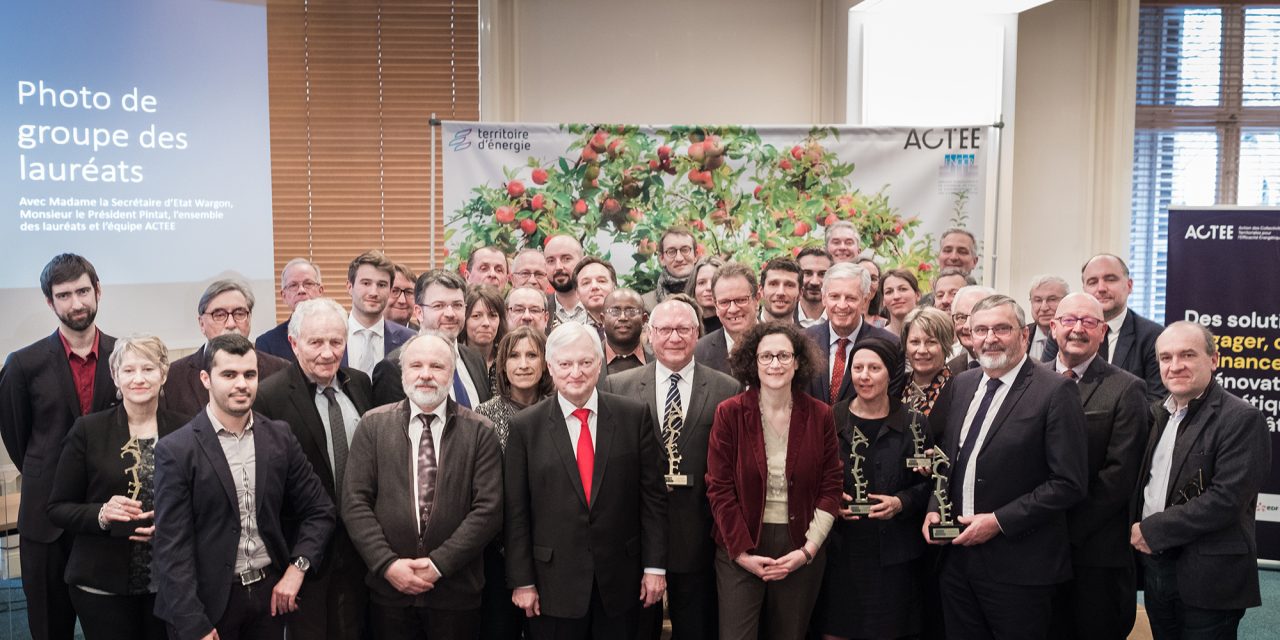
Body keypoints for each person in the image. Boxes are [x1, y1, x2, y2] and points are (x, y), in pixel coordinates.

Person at [923, 294, 1088, 639]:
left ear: (1024, 335)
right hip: (956, 560)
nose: (989, 337)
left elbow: (1068, 483)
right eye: (980, 329)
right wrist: (935, 507)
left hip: (1020, 566)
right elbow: (947, 460)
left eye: (1001, 328)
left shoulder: (1056, 391)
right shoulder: (963, 384)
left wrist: (998, 522)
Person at [152, 334, 336, 640]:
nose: (242, 384)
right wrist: (192, 622)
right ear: (205, 379)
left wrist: (297, 568)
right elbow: (171, 547)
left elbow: (320, 509)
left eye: (249, 375)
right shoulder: (177, 449)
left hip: (269, 597)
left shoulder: (279, 436)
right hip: (207, 604)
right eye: (229, 375)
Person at [503, 322, 668, 639]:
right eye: (565, 364)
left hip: (624, 583)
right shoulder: (525, 427)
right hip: (552, 585)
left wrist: (655, 568)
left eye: (585, 362)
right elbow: (516, 512)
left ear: (599, 364)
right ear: (550, 367)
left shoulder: (634, 417)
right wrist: (522, 580)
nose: (575, 372)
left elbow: (654, 501)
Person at [342, 331, 504, 640]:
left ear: (451, 373)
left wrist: (439, 564)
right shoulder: (373, 426)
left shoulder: (480, 431)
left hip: (456, 593)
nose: (426, 375)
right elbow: (355, 502)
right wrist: (387, 564)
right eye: (416, 366)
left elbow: (489, 510)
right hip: (389, 593)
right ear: (403, 372)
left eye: (437, 366)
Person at [601, 299, 742, 640]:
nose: (674, 337)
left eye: (683, 329)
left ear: (697, 333)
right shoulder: (618, 386)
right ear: (649, 335)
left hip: (699, 535)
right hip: (637, 536)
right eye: (665, 330)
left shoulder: (727, 388)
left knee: (697, 629)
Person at [1, 253, 117, 640]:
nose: (76, 303)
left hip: (107, 520)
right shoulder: (23, 364)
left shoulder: (124, 357)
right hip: (45, 523)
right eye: (64, 295)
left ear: (98, 291)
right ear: (50, 303)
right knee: (50, 629)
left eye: (83, 291)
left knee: (115, 627)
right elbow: (18, 440)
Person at [1131, 322, 1270, 639]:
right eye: (1166, 358)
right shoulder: (1156, 414)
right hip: (1156, 565)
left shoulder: (1241, 418)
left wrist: (1151, 530)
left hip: (1210, 574)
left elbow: (1226, 500)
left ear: (1214, 360)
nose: (1175, 365)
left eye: (1187, 355)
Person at [705, 322, 842, 640]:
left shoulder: (820, 414)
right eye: (766, 356)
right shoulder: (730, 413)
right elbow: (719, 487)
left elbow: (831, 485)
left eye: (783, 355)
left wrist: (807, 550)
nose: (775, 364)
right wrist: (741, 554)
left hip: (800, 543)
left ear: (797, 362)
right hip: (740, 543)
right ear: (753, 362)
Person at [46, 335, 186, 640]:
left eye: (148, 369)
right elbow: (57, 508)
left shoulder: (187, 428)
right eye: (128, 370)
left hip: (170, 582)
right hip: (101, 583)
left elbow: (205, 501)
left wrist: (176, 522)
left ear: (163, 374)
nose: (138, 378)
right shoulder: (88, 430)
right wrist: (102, 514)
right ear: (115, 377)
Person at [253, 298, 375, 640]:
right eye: (315, 342)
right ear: (294, 343)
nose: (327, 352)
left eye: (336, 342)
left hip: (359, 548)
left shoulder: (360, 384)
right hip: (302, 553)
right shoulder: (268, 397)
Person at [1044, 293, 1147, 640]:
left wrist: (1065, 531)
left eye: (1088, 322)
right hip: (1034, 549)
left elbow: (1119, 477)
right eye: (1069, 320)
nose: (1078, 329)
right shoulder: (1030, 380)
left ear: (1103, 331)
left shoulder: (1127, 389)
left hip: (1095, 554)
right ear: (1054, 327)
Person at [813, 337, 931, 640]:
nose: (864, 376)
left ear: (890, 372)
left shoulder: (914, 423)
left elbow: (930, 485)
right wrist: (829, 499)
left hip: (893, 559)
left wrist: (901, 502)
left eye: (874, 368)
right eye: (858, 367)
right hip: (840, 552)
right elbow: (810, 474)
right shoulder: (830, 417)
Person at [475, 327, 555, 640]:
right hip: (497, 550)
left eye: (532, 355)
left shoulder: (559, 409)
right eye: (514, 356)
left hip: (551, 549)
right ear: (502, 365)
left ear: (546, 362)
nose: (523, 364)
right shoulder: (484, 415)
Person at [164, 279, 291, 419]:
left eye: (240, 314)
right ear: (201, 324)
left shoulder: (280, 370)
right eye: (219, 315)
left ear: (249, 319)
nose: (231, 324)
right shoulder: (174, 376)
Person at [371, 270, 491, 409]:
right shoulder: (393, 367)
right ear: (419, 313)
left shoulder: (475, 359)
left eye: (457, 305)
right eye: (438, 306)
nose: (450, 314)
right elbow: (389, 426)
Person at [805, 263, 900, 405]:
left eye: (850, 298)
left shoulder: (890, 344)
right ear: (824, 298)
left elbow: (890, 404)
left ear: (865, 301)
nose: (842, 305)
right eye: (835, 297)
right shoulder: (804, 341)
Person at [1078, 254, 1166, 401]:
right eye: (1092, 282)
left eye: (1110, 279)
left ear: (1129, 285)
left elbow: (1157, 403)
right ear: (1084, 290)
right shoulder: (1065, 332)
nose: (1101, 288)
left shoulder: (1154, 336)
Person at [345, 250, 416, 377]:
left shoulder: (411, 340)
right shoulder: (328, 335)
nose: (374, 292)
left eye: (382, 285)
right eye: (366, 283)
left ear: (390, 290)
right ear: (350, 287)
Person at [693, 263, 759, 375]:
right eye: (724, 302)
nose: (733, 309)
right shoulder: (699, 352)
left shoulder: (780, 343)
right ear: (716, 305)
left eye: (741, 300)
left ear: (756, 299)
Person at [256, 258, 325, 362]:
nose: (301, 290)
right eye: (293, 285)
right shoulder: (267, 343)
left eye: (308, 284)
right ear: (284, 296)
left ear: (320, 291)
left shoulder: (340, 334)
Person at [902, 306, 956, 420]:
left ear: (945, 345)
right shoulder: (896, 386)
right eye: (915, 342)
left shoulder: (957, 391)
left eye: (931, 342)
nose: (922, 350)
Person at [461, 285, 508, 393]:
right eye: (476, 316)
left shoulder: (508, 359)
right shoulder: (456, 361)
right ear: (464, 320)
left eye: (493, 315)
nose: (486, 323)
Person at [641, 227, 698, 311]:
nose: (679, 258)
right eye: (671, 252)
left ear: (695, 255)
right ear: (662, 259)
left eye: (685, 250)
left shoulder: (710, 296)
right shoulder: (646, 304)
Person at [944, 285, 995, 375]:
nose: (967, 326)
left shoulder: (1008, 366)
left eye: (976, 317)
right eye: (961, 317)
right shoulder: (950, 370)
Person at [602, 289, 652, 375]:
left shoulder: (659, 360)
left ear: (644, 319)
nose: (623, 317)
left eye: (631, 312)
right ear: (603, 319)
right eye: (615, 311)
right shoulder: (587, 360)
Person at [544, 234, 588, 327]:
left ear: (583, 263)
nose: (558, 267)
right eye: (551, 261)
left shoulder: (602, 306)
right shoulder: (539, 309)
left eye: (566, 259)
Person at [571, 257, 617, 337]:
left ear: (614, 287)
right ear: (577, 293)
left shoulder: (632, 325)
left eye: (601, 281)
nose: (594, 286)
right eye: (586, 283)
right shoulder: (572, 332)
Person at [1027, 275, 1068, 362]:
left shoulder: (1077, 335)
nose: (1044, 307)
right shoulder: (1020, 336)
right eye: (1038, 300)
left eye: (1052, 299)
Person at [683, 256, 724, 335]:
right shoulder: (685, 326)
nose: (709, 288)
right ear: (693, 287)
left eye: (714, 282)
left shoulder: (734, 326)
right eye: (701, 283)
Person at [795, 248, 832, 328]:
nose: (814, 282)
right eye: (807, 273)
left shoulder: (843, 320)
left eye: (822, 274)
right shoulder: (783, 319)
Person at [758, 258, 802, 324]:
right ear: (761, 290)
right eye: (773, 284)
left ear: (800, 293)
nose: (781, 292)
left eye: (789, 285)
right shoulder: (745, 333)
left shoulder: (809, 334)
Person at [880, 268, 921, 337]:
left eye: (903, 289)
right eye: (889, 292)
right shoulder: (877, 339)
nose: (896, 296)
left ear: (917, 295)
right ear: (883, 301)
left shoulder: (933, 333)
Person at [387, 263, 420, 330]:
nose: (402, 301)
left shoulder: (422, 338)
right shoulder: (366, 335)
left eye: (409, 292)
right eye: (394, 291)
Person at [854, 257, 884, 328]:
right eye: (863, 276)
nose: (868, 283)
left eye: (873, 279)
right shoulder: (838, 320)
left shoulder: (882, 324)